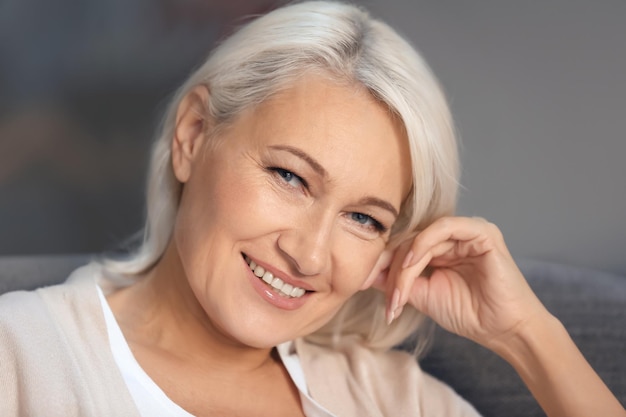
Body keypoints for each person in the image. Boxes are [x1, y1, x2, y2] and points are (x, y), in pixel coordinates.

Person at [0, 1, 624, 416]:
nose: (308, 253)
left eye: (365, 219)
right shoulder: (20, 357)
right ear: (193, 137)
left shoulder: (391, 400)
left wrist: (528, 336)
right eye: (289, 176)